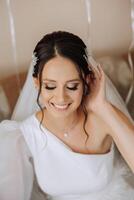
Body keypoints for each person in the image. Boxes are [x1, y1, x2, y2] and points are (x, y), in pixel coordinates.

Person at [0, 31, 134, 200]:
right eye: (50, 87)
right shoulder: (24, 134)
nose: (61, 98)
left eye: (71, 86)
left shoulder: (103, 118)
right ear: (37, 83)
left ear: (86, 82)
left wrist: (102, 107)